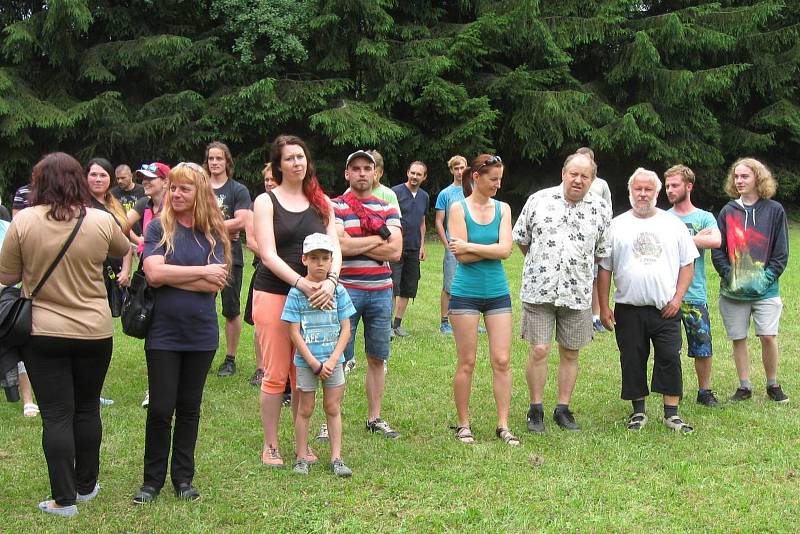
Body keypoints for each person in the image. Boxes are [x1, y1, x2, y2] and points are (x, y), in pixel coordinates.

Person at [0, 152, 129, 516]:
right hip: (95, 331)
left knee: (57, 414)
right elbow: (123, 248)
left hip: (42, 331)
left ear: (38, 183)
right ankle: (87, 486)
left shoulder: (24, 221)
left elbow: (6, 276)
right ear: (79, 181)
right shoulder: (100, 221)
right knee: (87, 409)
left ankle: (64, 499)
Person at [132, 162, 231, 504]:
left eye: (184, 188)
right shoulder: (159, 228)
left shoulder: (214, 233)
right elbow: (154, 274)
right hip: (163, 333)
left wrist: (175, 273)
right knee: (160, 408)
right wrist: (200, 271)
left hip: (201, 334)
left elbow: (216, 283)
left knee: (189, 407)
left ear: (200, 192)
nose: (175, 194)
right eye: (172, 187)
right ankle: (151, 482)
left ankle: (183, 480)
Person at [252, 135, 341, 468]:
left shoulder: (321, 202)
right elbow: (268, 254)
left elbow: (335, 247)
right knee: (276, 373)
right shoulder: (265, 202)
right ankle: (271, 445)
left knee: (303, 371)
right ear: (278, 165)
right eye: (289, 158)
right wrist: (303, 283)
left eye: (300, 157)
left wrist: (331, 281)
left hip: (317, 297)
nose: (296, 163)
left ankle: (301, 446)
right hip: (276, 293)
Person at [512, 153, 611, 433]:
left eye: (585, 176)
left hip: (577, 292)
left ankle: (563, 409)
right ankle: (536, 409)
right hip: (539, 289)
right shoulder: (538, 200)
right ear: (563, 173)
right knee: (540, 349)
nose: (578, 180)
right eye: (574, 174)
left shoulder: (600, 209)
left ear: (592, 180)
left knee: (570, 352)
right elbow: (522, 239)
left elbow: (602, 255)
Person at [597, 168, 698, 433]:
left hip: (665, 308)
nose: (643, 194)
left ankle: (671, 414)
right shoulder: (616, 225)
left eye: (648, 190)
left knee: (669, 357)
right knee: (632, 358)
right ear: (630, 192)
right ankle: (638, 412)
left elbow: (688, 263)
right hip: (628, 308)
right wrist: (604, 306)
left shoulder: (672, 224)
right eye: (638, 189)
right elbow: (604, 268)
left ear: (657, 193)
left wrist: (678, 298)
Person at [447, 154, 517, 446]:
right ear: (475, 176)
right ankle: (464, 424)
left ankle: (503, 424)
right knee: (467, 361)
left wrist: (472, 246)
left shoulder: (503, 209)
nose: (498, 185)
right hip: (465, 293)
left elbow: (506, 251)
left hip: (497, 292)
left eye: (500, 179)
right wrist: (490, 248)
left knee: (502, 360)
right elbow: (460, 257)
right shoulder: (457, 208)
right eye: (493, 179)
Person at [333, 150, 402, 438]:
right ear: (347, 174)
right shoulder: (334, 206)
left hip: (380, 292)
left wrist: (356, 241)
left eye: (367, 168)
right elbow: (338, 246)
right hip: (345, 291)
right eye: (356, 168)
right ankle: (329, 419)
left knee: (377, 356)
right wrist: (377, 239)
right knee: (337, 358)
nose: (362, 173)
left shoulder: (388, 208)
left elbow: (395, 251)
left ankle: (374, 418)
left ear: (376, 174)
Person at [711, 158, 789, 403]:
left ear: (758, 178)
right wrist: (729, 275)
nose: (739, 181)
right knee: (738, 338)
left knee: (768, 335)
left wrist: (764, 280)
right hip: (733, 292)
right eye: (736, 177)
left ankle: (772, 384)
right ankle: (744, 386)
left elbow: (781, 252)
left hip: (766, 290)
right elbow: (717, 250)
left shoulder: (774, 210)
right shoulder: (728, 211)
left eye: (745, 176)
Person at [282, 233, 356, 477]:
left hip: (334, 361)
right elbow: (293, 331)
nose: (320, 263)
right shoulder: (296, 294)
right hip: (307, 362)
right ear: (304, 260)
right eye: (314, 258)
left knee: (333, 407)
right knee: (305, 409)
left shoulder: (339, 291)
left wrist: (334, 359)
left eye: (325, 258)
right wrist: (313, 362)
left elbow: (346, 328)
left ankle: (336, 457)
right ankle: (301, 456)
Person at [665, 164, 722, 407]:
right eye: (667, 186)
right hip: (668, 294)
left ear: (689, 186)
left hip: (695, 294)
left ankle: (704, 391)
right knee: (669, 349)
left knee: (702, 346)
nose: (669, 190)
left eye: (674, 185)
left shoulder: (704, 217)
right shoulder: (664, 218)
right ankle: (673, 390)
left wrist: (684, 240)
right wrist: (698, 240)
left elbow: (716, 240)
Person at [126, 162, 171, 409]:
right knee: (152, 330)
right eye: (143, 178)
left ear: (165, 181)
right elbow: (121, 225)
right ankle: (153, 388)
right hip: (148, 274)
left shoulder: (176, 204)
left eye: (151, 178)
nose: (145, 182)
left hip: (172, 273)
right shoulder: (144, 205)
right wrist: (139, 242)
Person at [205, 141, 252, 378]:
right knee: (202, 306)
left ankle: (230, 358)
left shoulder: (238, 190)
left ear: (227, 162)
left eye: (219, 159)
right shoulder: (200, 188)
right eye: (211, 159)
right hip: (201, 255)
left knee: (231, 309)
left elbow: (242, 221)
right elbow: (190, 218)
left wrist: (208, 227)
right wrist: (224, 227)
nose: (215, 163)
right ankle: (203, 354)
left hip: (230, 256)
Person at [244, 163, 279, 387]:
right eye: (266, 179)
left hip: (288, 271)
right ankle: (261, 367)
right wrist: (273, 256)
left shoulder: (292, 204)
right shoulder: (255, 205)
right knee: (260, 322)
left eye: (273, 179)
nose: (269, 183)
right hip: (264, 271)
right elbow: (251, 241)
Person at [575, 147, 613, 333]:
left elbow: (608, 210)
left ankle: (595, 316)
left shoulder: (601, 184)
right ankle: (579, 315)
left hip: (595, 239)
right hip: (576, 240)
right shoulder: (573, 180)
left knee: (596, 278)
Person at [390, 160, 430, 337]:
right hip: (395, 248)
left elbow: (422, 222)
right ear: (407, 173)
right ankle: (386, 326)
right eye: (412, 173)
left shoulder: (424, 197)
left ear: (424, 177)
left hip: (414, 248)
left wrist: (422, 245)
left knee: (408, 286)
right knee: (392, 286)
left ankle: (397, 324)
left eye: (418, 174)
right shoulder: (395, 193)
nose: (415, 177)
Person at [435, 155, 466, 335]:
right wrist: (446, 244)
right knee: (449, 285)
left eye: (462, 168)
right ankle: (444, 321)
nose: (460, 172)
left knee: (470, 282)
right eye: (456, 168)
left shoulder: (474, 190)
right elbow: (439, 221)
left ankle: (469, 320)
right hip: (453, 246)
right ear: (451, 170)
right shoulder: (445, 194)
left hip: (471, 244)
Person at [111, 164, 146, 237]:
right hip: (121, 234)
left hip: (141, 234)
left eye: (123, 178)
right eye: (118, 178)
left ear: (131, 176)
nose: (120, 181)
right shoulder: (112, 193)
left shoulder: (143, 190)